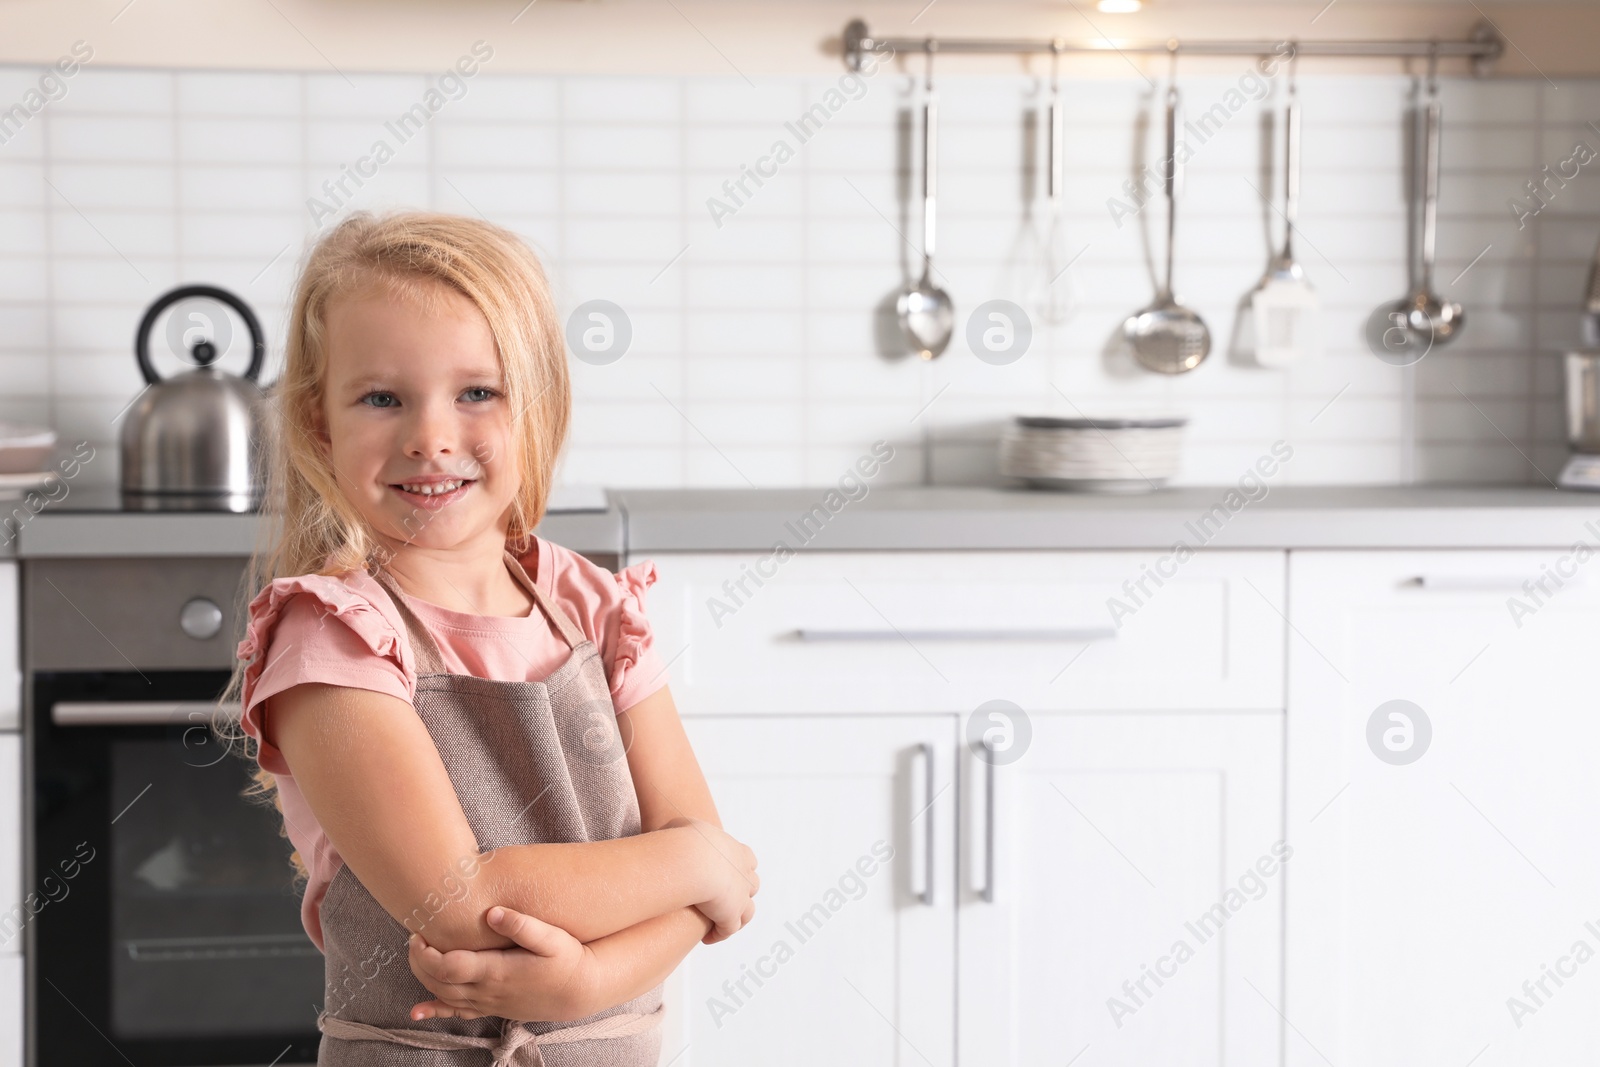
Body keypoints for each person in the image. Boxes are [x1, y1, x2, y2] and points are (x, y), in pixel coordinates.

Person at [218, 209, 759, 1064]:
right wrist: (698, 863)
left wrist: (587, 979)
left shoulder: (593, 606)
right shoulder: (335, 639)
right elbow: (461, 900)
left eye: (477, 391)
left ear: (536, 404)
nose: (430, 436)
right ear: (321, 425)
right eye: (381, 397)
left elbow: (702, 886)